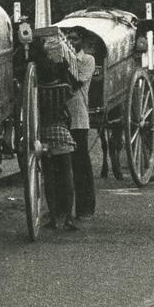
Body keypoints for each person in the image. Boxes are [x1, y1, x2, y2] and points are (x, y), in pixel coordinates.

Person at [35, 33, 79, 231]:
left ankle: (52, 216)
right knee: (67, 176)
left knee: (50, 177)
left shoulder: (36, 89)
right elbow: (70, 94)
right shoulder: (62, 86)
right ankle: (69, 216)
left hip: (42, 132)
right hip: (61, 131)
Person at [66, 30, 96, 219]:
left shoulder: (87, 60)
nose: (71, 42)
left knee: (81, 165)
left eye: (74, 39)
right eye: (68, 38)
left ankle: (85, 208)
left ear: (82, 42)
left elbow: (75, 83)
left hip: (78, 117)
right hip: (63, 118)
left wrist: (63, 62)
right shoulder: (65, 60)